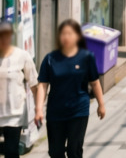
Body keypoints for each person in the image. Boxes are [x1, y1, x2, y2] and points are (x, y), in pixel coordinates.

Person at [35, 20, 104, 158]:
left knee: (74, 150)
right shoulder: (50, 59)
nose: (66, 37)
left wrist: (101, 104)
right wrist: (38, 109)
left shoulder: (86, 57)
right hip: (56, 112)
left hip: (78, 110)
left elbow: (95, 82)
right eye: (63, 34)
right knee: (55, 152)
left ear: (77, 36)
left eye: (70, 34)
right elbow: (43, 84)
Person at [0, 22, 37, 158]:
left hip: (14, 115)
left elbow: (34, 83)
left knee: (11, 152)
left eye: (6, 37)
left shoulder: (22, 56)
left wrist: (39, 110)